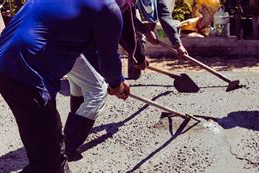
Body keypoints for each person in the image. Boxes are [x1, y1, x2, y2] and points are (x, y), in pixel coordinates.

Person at [0, 0, 130, 173]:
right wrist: (116, 83)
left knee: (51, 136)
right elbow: (108, 55)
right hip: (27, 73)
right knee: (43, 158)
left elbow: (92, 49)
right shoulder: (109, 9)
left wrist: (113, 79)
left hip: (6, 61)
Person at [64, 0, 189, 160]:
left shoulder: (123, 4)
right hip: (74, 43)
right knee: (96, 91)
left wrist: (139, 57)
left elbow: (127, 30)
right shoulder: (112, 4)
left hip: (64, 40)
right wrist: (116, 82)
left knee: (80, 86)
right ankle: (66, 148)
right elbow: (108, 50)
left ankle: (67, 142)